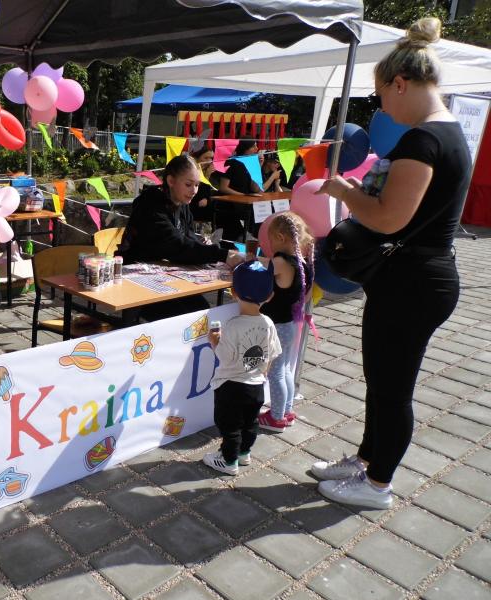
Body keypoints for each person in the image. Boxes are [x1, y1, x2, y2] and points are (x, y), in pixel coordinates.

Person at [312, 17, 470, 509]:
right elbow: (404, 214)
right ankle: (366, 460)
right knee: (381, 382)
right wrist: (364, 197)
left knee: (393, 388)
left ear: (400, 83)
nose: (382, 106)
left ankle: (378, 484)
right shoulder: (446, 135)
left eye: (381, 95)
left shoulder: (422, 141)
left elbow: (386, 220)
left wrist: (342, 191)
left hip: (413, 283)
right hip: (416, 279)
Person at [116, 154, 235, 321]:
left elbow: (187, 236)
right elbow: (177, 245)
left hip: (166, 274)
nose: (194, 191)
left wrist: (205, 245)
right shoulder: (150, 206)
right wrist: (223, 254)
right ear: (171, 181)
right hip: (136, 279)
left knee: (201, 310)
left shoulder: (182, 204)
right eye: (188, 184)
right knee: (188, 316)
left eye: (197, 185)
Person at [203, 260, 281, 475]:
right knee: (250, 423)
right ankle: (244, 453)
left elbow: (226, 358)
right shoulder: (268, 323)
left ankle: (228, 462)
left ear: (233, 292)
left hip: (231, 387)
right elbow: (273, 352)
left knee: (230, 427)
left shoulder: (234, 325)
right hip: (256, 385)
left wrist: (214, 341)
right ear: (269, 296)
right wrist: (263, 371)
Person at [257, 211, 314, 432]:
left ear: (281, 237)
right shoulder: (303, 264)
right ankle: (287, 410)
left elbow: (264, 290)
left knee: (276, 372)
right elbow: (306, 296)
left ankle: (276, 417)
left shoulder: (279, 261)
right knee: (285, 369)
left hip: (277, 325)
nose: (269, 245)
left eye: (271, 240)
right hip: (290, 324)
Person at [217, 139, 263, 241]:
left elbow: (255, 189)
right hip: (230, 203)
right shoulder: (231, 162)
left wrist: (257, 168)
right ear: (245, 149)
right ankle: (246, 237)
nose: (256, 149)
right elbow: (223, 187)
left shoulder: (251, 164)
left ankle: (254, 237)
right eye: (253, 146)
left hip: (245, 202)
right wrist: (243, 196)